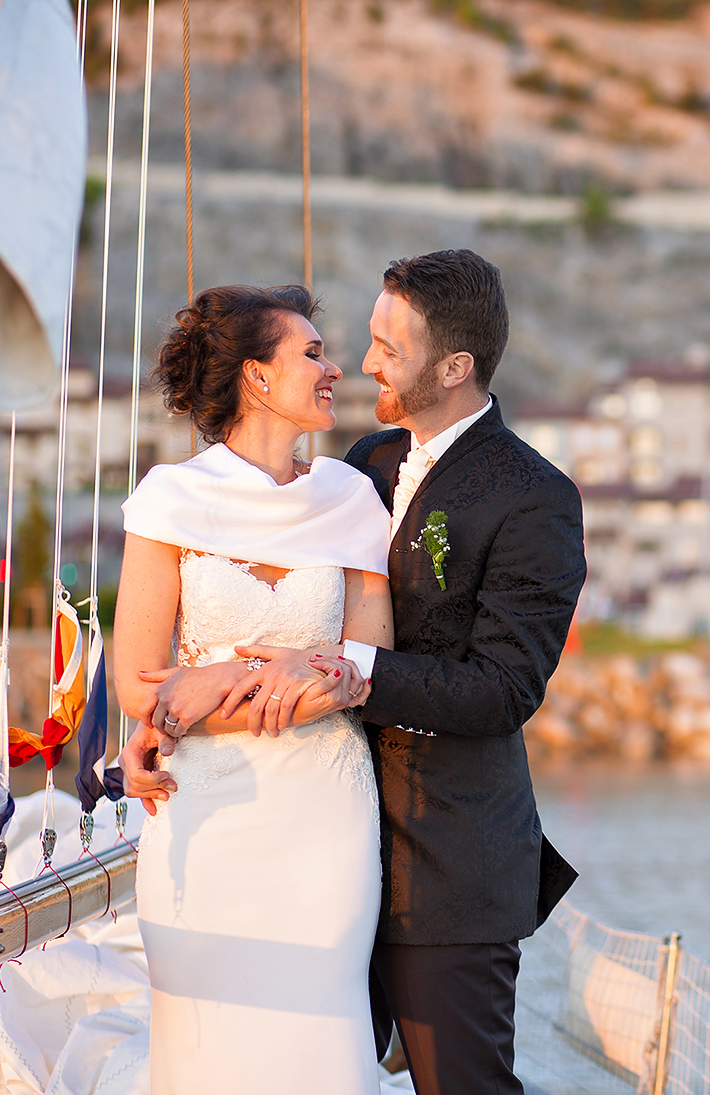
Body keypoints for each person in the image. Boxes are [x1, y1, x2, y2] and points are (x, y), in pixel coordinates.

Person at [128, 250, 585, 1094]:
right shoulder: (367, 466)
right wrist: (158, 718)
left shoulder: (534, 495)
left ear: (453, 367)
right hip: (300, 832)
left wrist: (337, 668)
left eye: (387, 347)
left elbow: (502, 689)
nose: (364, 362)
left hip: (441, 862)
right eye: (360, 341)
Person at [113, 283, 394, 1093]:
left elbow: (366, 668)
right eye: (312, 353)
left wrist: (216, 683)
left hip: (325, 828)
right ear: (257, 377)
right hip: (206, 816)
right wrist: (255, 673)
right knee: (209, 1051)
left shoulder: (351, 497)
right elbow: (142, 686)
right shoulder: (171, 499)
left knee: (321, 1049)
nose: (335, 367)